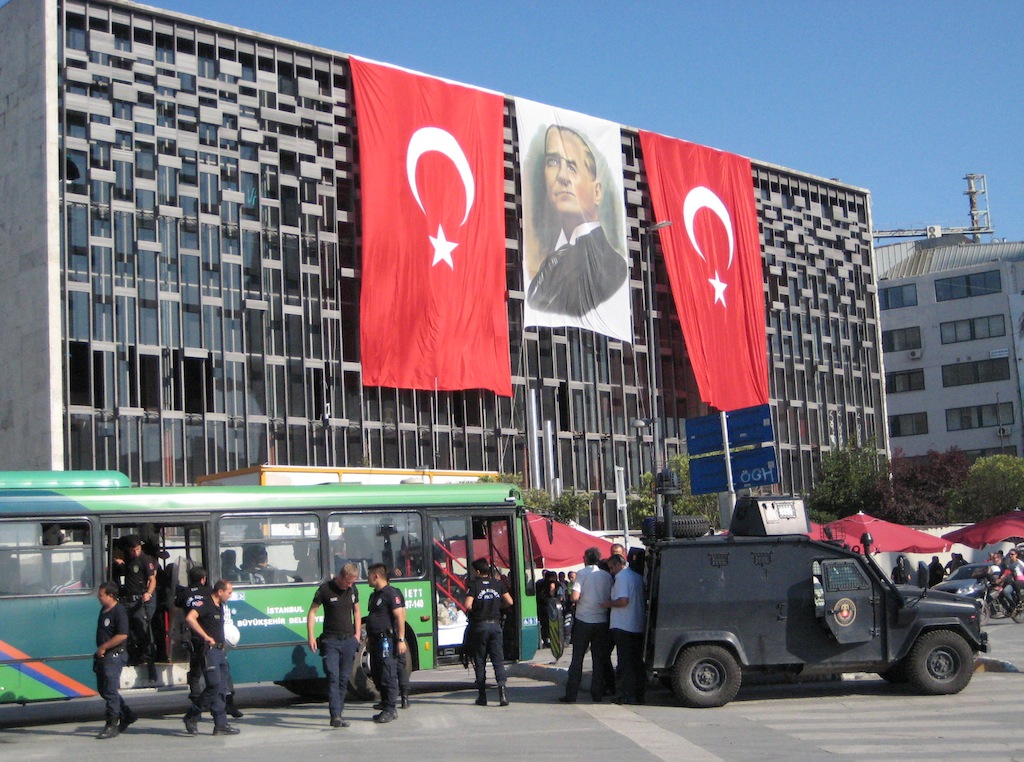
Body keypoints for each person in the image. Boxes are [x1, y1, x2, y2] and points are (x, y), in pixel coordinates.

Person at [526, 125, 627, 317]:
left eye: (572, 167)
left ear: (597, 191)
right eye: (553, 162)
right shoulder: (551, 258)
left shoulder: (613, 267)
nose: (562, 176)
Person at [175, 566, 243, 719]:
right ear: (204, 579)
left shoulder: (185, 594)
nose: (230, 596)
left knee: (202, 676)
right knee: (216, 682)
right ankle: (200, 712)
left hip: (201, 642)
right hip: (207, 644)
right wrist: (207, 636)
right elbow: (192, 617)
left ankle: (217, 719)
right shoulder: (208, 597)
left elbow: (177, 606)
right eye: (229, 593)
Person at [307, 562, 362, 728]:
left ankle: (340, 712)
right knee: (333, 676)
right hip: (330, 640)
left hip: (348, 641)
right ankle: (335, 715)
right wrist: (310, 636)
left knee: (344, 679)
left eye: (353, 582)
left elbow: (357, 611)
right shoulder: (325, 589)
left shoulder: (353, 590)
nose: (350, 585)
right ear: (341, 577)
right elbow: (312, 612)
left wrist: (357, 634)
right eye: (349, 582)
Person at [559, 547, 613, 704]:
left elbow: (575, 596)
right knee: (598, 659)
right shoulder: (606, 575)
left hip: (584, 619)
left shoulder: (582, 574)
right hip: (601, 620)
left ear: (585, 559)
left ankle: (571, 694)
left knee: (578, 659)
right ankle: (597, 693)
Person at [465, 558, 514, 707]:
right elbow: (510, 602)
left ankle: (482, 696)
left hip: (479, 626)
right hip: (495, 626)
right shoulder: (498, 584)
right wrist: (498, 607)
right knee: (498, 661)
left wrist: (478, 610)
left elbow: (467, 605)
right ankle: (503, 695)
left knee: (479, 661)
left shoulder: (473, 585)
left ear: (478, 572)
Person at [93, 580, 136, 739]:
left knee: (110, 690)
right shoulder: (104, 610)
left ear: (110, 596)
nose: (98, 597)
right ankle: (127, 714)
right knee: (103, 689)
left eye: (101, 595)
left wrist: (105, 647)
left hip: (115, 655)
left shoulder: (119, 611)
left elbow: (122, 635)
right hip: (103, 656)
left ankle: (111, 724)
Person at [365, 562, 406, 723]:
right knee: (376, 672)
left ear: (376, 576)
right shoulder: (374, 595)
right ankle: (384, 702)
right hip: (375, 640)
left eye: (368, 575)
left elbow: (400, 617)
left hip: (386, 640)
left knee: (387, 673)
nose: (367, 578)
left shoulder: (390, 593)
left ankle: (391, 708)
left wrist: (401, 639)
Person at [603, 553, 646, 705]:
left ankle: (628, 695)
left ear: (617, 565)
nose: (611, 571)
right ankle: (638, 694)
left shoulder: (621, 578)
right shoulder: (636, 576)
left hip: (623, 625)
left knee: (626, 664)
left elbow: (623, 601)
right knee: (636, 663)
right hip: (637, 625)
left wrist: (608, 604)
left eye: (611, 568)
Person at [112, 534, 157, 673]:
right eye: (133, 550)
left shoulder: (145, 560)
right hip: (125, 601)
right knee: (126, 631)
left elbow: (152, 580)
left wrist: (148, 593)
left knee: (142, 629)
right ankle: (128, 657)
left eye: (137, 549)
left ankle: (147, 658)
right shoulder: (125, 560)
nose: (135, 552)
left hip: (139, 601)